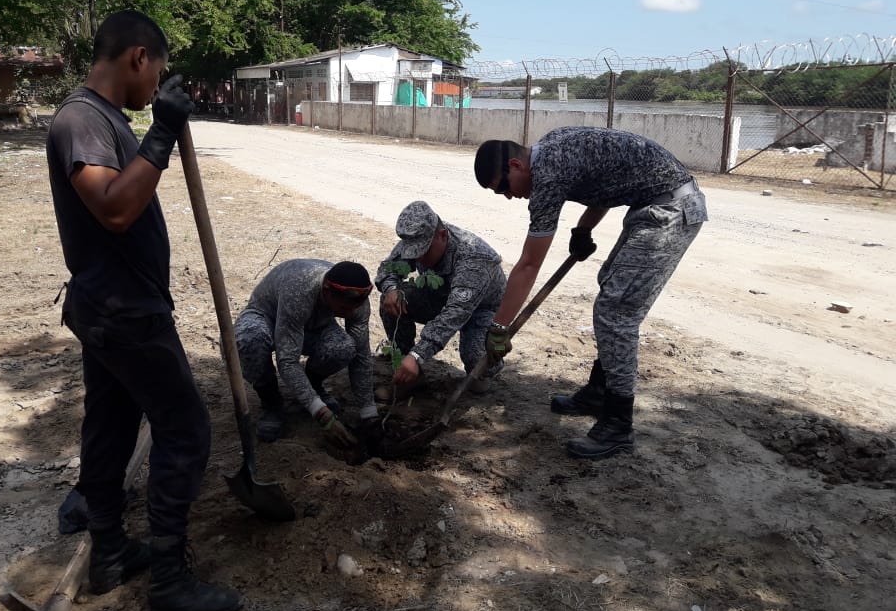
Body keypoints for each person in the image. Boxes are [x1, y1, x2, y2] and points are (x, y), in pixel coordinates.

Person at [45, 8, 242, 611]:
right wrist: (159, 134)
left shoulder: (102, 120)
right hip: (125, 312)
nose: (155, 85)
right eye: (155, 72)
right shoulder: (81, 121)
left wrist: (153, 132)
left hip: (112, 306)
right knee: (185, 430)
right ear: (137, 57)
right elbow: (113, 209)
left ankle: (107, 555)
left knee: (110, 426)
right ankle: (170, 579)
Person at [474, 126, 708, 460]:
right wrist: (584, 228)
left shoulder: (548, 175)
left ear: (515, 165)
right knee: (610, 286)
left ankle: (618, 424)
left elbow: (528, 265)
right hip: (651, 206)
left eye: (503, 188)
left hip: (672, 210)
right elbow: (605, 181)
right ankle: (600, 392)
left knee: (617, 312)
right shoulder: (552, 146)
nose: (509, 196)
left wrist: (498, 328)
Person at [234, 259, 377, 447]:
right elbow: (287, 361)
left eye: (354, 309)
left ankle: (313, 385)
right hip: (267, 318)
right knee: (251, 340)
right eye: (343, 309)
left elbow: (361, 357)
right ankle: (271, 402)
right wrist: (322, 415)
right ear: (326, 291)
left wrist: (369, 414)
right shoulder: (299, 290)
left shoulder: (357, 303)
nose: (350, 314)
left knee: (343, 348)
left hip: (313, 323)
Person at [374, 200, 507, 391]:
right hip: (439, 296)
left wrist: (418, 355)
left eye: (422, 252)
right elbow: (388, 269)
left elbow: (455, 313)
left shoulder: (474, 258)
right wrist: (390, 289)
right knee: (393, 300)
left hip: (481, 309)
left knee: (478, 371)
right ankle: (407, 370)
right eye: (413, 252)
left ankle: (492, 362)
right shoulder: (416, 237)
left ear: (442, 235)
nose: (417, 258)